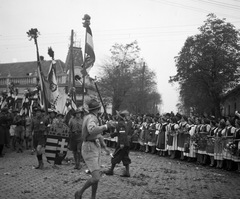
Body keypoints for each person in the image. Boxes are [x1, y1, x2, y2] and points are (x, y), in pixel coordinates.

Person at [74, 99, 115, 199]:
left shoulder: (91, 117)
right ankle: (79, 192)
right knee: (96, 177)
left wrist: (105, 147)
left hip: (94, 146)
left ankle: (93, 197)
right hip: (89, 148)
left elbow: (98, 135)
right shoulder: (92, 118)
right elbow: (92, 130)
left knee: (96, 175)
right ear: (97, 108)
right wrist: (106, 126)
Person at [105, 110, 132, 177]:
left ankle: (111, 170)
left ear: (120, 117)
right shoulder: (123, 123)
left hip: (122, 143)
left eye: (118, 115)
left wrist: (121, 143)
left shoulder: (121, 123)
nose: (116, 116)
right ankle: (127, 172)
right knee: (125, 157)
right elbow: (119, 132)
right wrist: (111, 135)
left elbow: (122, 133)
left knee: (115, 155)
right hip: (126, 143)